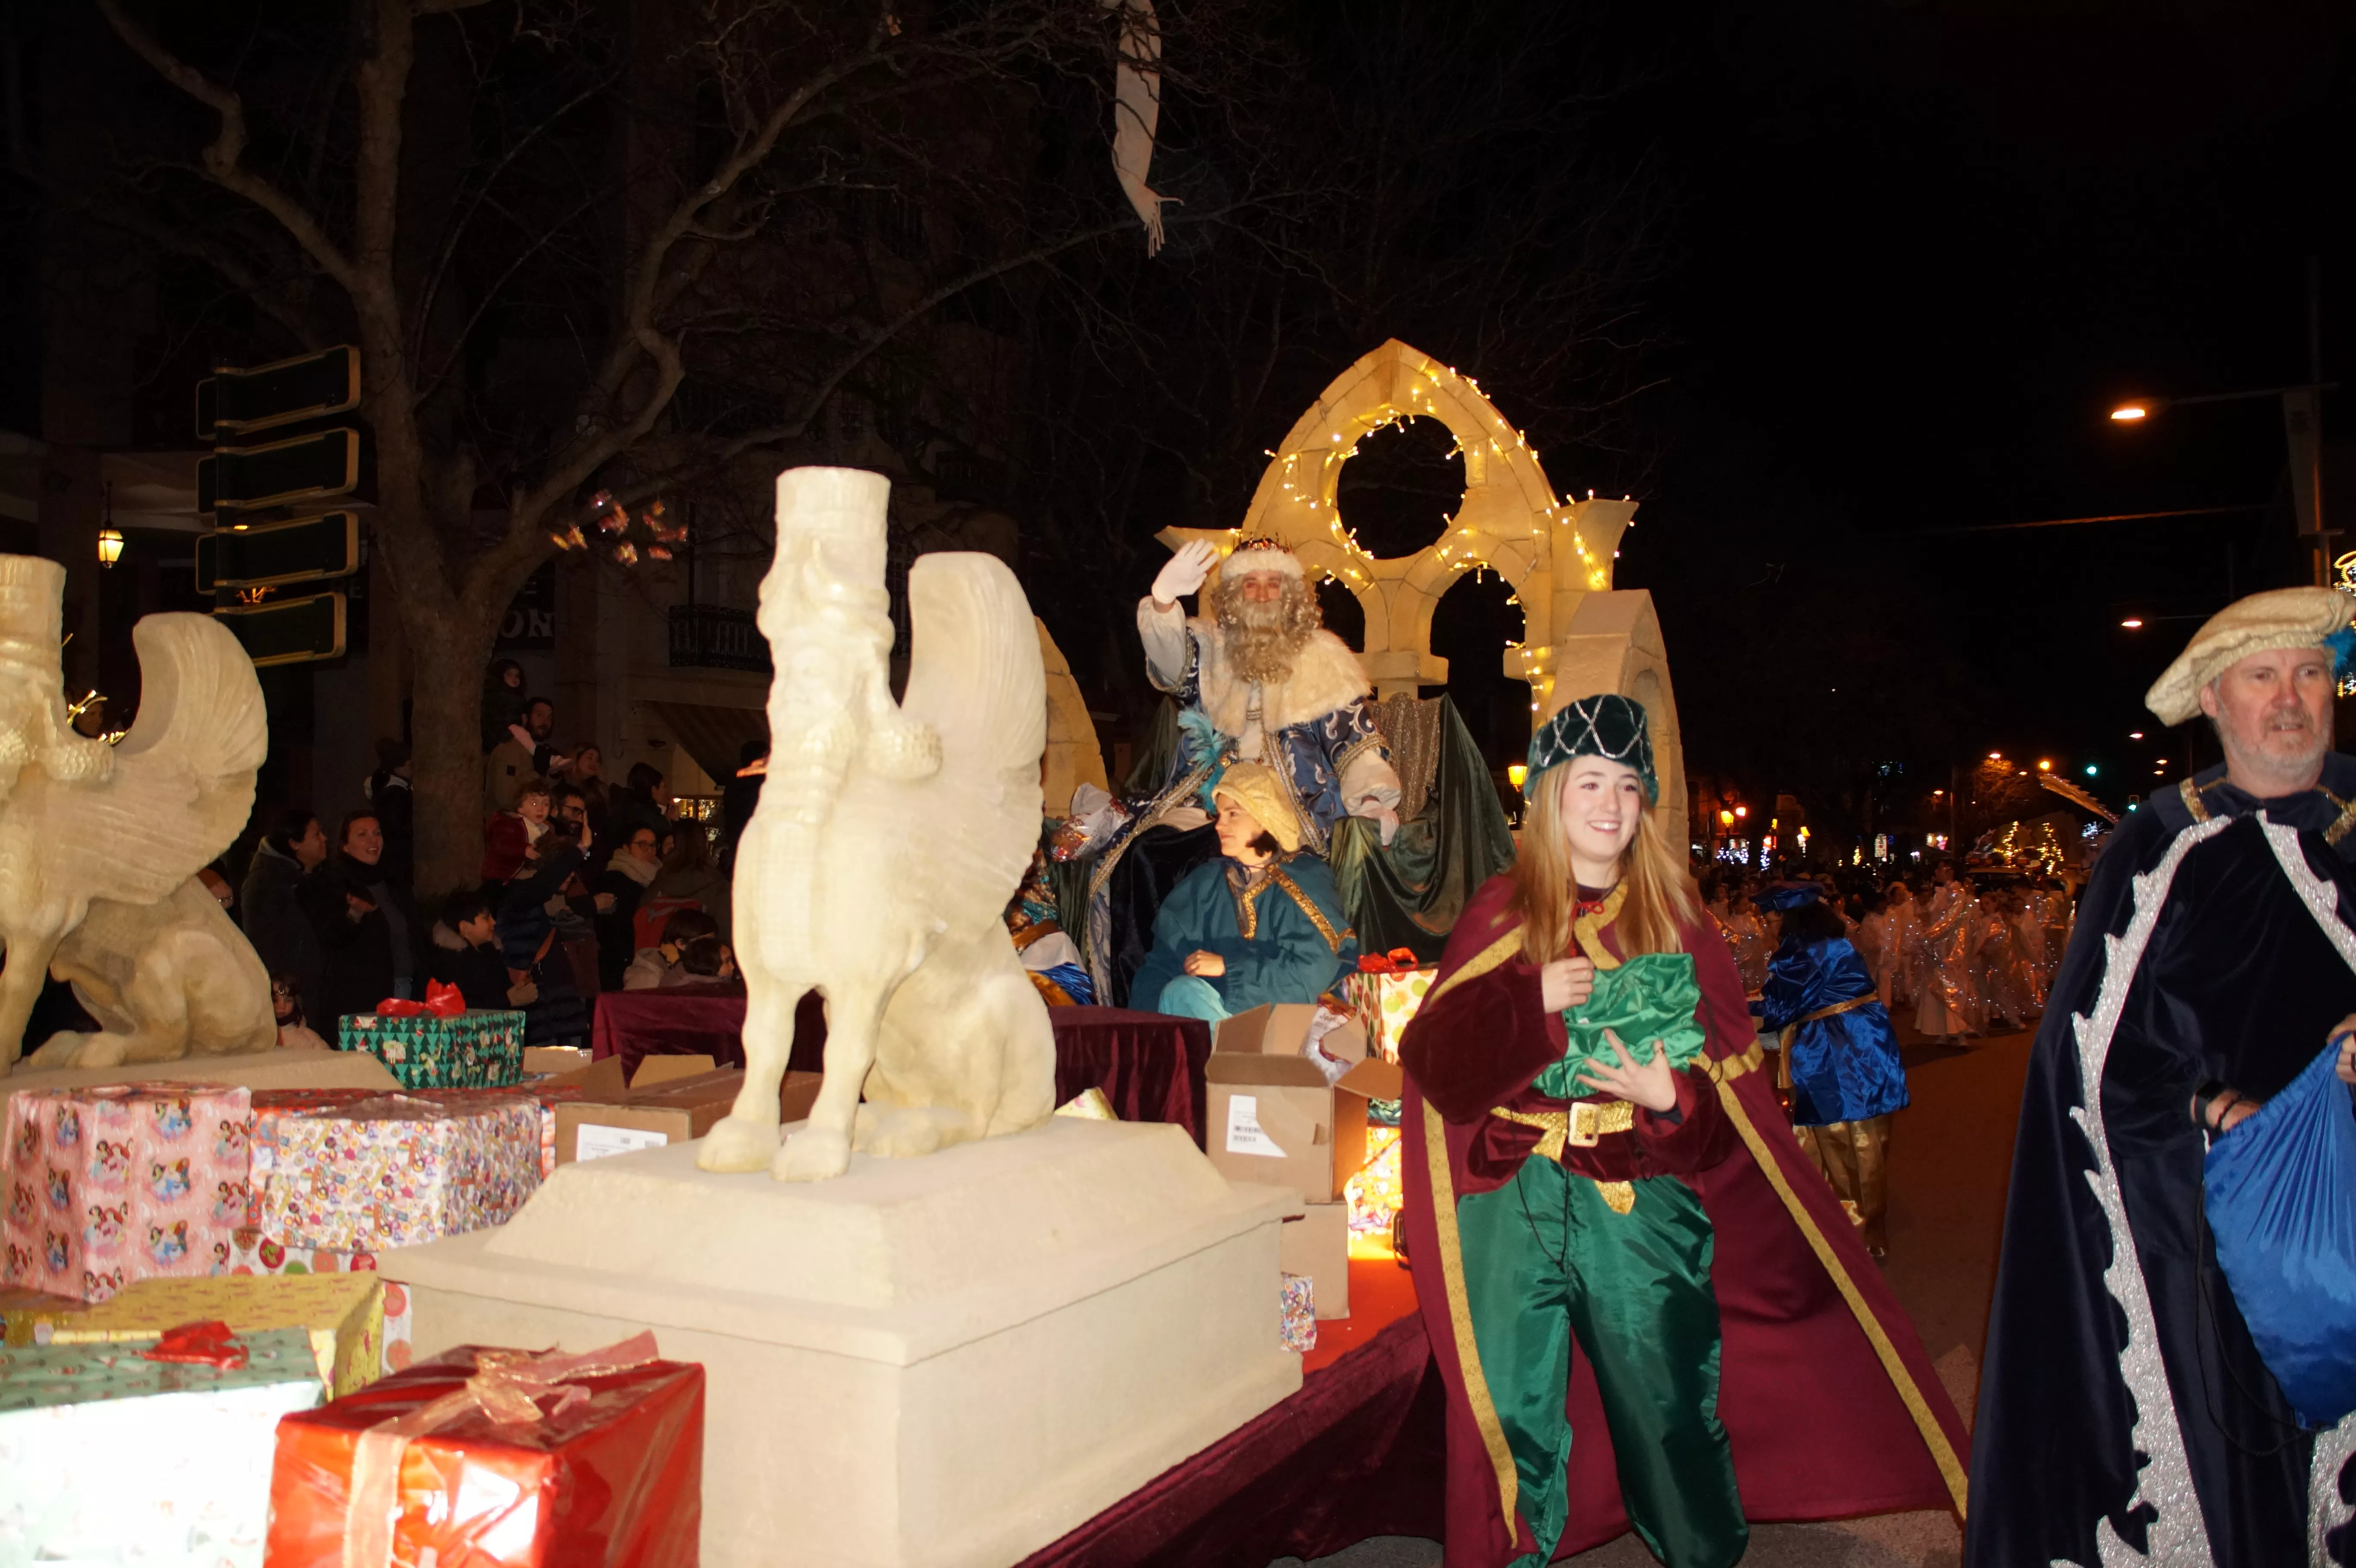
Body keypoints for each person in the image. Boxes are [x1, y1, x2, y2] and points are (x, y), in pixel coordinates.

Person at [1396, 694, 1967, 1568]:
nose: (1610, 804)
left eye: (1629, 786)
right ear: (1549, 794)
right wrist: (1528, 999)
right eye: (1590, 781)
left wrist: (1669, 1098)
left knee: (1665, 1404)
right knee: (1504, 1412)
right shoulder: (1500, 909)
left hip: (1635, 1201)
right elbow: (1434, 1065)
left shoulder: (1675, 918)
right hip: (1508, 1201)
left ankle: (1699, 1553)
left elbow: (1730, 1114)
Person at [1969, 587, 2356, 1566]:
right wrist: (2219, 1108)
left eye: (2309, 673)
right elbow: (2086, 1050)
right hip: (2212, 1211)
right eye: (2261, 677)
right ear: (2216, 701)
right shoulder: (2163, 842)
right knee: (2251, 1458)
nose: (2289, 698)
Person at [1126, 762, 1358, 1024]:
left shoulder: (1302, 877)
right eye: (1219, 815)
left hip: (1289, 1027)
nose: (1219, 826)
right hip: (1212, 1021)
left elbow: (1315, 971)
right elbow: (1161, 965)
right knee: (1180, 993)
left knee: (1184, 992)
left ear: (1264, 816)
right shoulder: (1204, 886)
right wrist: (1146, 1026)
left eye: (1233, 814)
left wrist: (1228, 967)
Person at [1757, 888, 1909, 1256]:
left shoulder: (1801, 953)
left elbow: (1778, 1007)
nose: (1767, 928)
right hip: (1867, 1040)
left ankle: (1849, 1233)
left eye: (1771, 920)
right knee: (1869, 1136)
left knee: (1836, 1137)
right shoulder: (1834, 945)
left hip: (1832, 1048)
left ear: (1789, 919)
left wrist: (1728, 1001)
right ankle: (1865, 1228)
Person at [302, 809, 424, 1025]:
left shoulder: (394, 882)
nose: (373, 840)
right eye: (362, 835)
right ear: (345, 846)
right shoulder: (332, 883)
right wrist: (354, 915)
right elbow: (329, 937)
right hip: (360, 998)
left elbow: (414, 934)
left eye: (377, 833)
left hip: (405, 989)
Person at [497, 812, 593, 1046]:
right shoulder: (520, 897)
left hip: (563, 1014)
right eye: (565, 868)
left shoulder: (554, 905)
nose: (571, 874)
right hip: (539, 1017)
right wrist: (580, 848)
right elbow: (543, 885)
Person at [242, 808, 328, 1017]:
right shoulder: (266, 882)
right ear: (295, 844)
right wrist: (282, 996)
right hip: (290, 1001)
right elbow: (261, 944)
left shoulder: (310, 877)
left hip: (311, 992)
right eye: (316, 834)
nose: (324, 839)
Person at [430, 887, 537, 1012]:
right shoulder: (452, 961)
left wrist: (520, 992)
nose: (493, 922)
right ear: (465, 927)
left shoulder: (489, 951)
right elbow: (460, 1006)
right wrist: (508, 1000)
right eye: (486, 918)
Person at [1910, 860, 1981, 1038]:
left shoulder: (1957, 894)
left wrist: (1928, 936)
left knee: (1952, 986)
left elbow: (1949, 921)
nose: (1936, 872)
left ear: (1950, 872)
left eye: (1939, 868)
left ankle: (1959, 1031)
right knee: (1938, 985)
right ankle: (1944, 1029)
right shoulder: (1943, 893)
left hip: (1950, 948)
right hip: (1937, 947)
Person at [594, 822, 663, 991]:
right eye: (642, 844)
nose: (649, 850)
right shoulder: (614, 879)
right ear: (626, 848)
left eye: (653, 845)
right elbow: (611, 927)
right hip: (622, 963)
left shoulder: (660, 876)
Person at [484, 695, 560, 812]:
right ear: (525, 718)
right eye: (539, 716)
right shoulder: (511, 750)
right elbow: (506, 799)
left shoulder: (538, 751)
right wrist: (537, 773)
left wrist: (553, 775)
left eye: (549, 718)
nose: (545, 723)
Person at [623, 906, 722, 991]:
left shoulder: (698, 964)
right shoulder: (648, 975)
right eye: (705, 944)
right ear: (681, 944)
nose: (711, 949)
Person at [364, 738, 415, 892]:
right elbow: (397, 828)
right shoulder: (395, 794)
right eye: (410, 765)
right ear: (398, 768)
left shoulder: (392, 791)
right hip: (397, 862)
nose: (413, 769)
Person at [482, 777, 553, 883]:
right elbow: (501, 844)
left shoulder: (543, 830)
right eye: (534, 804)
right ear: (520, 807)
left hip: (518, 876)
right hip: (499, 879)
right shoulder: (511, 824)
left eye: (546, 804)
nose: (541, 809)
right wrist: (524, 850)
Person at [269, 973, 329, 1052]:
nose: (282, 1006)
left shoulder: (308, 1037)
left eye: (288, 1000)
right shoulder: (259, 1038)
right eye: (275, 1000)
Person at [481, 658, 527, 753]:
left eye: (517, 676)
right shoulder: (499, 696)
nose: (514, 679)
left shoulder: (517, 698)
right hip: (498, 739)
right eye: (510, 675)